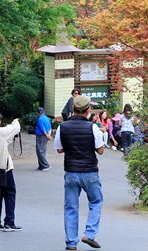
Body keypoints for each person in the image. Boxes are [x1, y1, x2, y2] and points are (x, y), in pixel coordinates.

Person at [54, 94, 105, 250]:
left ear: (73, 108)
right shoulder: (93, 127)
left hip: (70, 172)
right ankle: (89, 234)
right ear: (88, 109)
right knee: (96, 202)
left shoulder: (62, 127)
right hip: (89, 171)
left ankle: (71, 243)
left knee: (71, 207)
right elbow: (101, 150)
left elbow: (59, 149)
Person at [35, 106, 52, 171]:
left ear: (39, 113)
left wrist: (46, 135)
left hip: (41, 136)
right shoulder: (47, 118)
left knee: (39, 151)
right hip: (46, 136)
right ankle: (41, 166)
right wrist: (48, 135)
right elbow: (50, 128)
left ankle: (45, 165)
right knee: (43, 150)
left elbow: (42, 129)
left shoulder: (40, 119)